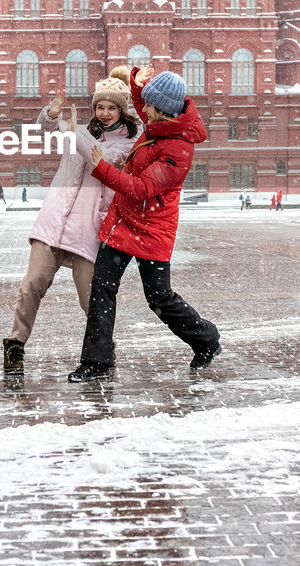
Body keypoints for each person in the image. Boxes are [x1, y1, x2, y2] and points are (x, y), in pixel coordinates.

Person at [69, 65, 221, 383]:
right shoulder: (159, 125)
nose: (144, 110)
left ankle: (206, 338)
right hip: (123, 221)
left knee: (159, 298)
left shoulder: (179, 148)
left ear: (163, 110)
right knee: (102, 288)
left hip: (152, 229)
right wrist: (139, 85)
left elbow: (142, 188)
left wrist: (98, 166)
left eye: (150, 105)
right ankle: (97, 362)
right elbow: (143, 105)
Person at [4, 69, 139, 375]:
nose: (104, 113)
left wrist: (75, 132)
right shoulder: (81, 129)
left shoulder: (127, 144)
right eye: (99, 107)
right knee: (31, 285)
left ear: (122, 111)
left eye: (111, 107)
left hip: (87, 229)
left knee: (89, 298)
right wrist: (52, 113)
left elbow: (98, 156)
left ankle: (104, 347)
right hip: (53, 221)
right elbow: (48, 130)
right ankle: (15, 346)